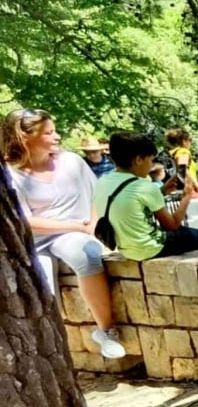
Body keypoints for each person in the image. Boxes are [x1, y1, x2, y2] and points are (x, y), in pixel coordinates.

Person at [3, 109, 126, 358]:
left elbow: (96, 194)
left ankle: (106, 331)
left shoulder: (72, 162)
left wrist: (92, 227)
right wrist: (75, 226)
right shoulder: (10, 174)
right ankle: (54, 347)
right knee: (42, 281)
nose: (57, 136)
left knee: (86, 254)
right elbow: (24, 221)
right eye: (49, 133)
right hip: (35, 239)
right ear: (25, 137)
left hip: (73, 234)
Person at [94, 132, 198, 260]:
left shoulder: (102, 182)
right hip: (151, 248)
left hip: (127, 250)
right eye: (150, 160)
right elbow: (172, 225)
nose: (151, 166)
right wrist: (186, 197)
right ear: (139, 160)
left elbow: (132, 202)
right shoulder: (143, 186)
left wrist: (162, 190)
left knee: (189, 233)